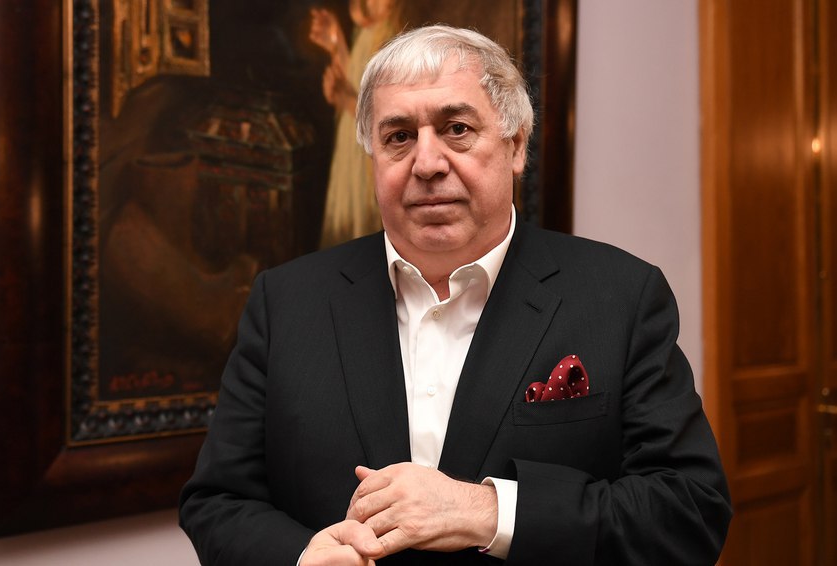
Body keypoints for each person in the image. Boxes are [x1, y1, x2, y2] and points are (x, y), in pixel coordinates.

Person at [179, 25, 732, 565]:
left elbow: (688, 511)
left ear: (516, 146)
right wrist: (302, 557)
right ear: (373, 156)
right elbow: (217, 502)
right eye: (398, 137)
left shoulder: (620, 297)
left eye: (457, 129)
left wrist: (485, 511)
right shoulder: (285, 302)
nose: (427, 163)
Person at [309, 0, 401, 249]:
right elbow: (360, 84)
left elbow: (391, 116)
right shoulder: (368, 28)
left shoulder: (395, 32)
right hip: (352, 147)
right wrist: (337, 43)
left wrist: (345, 98)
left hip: (371, 155)